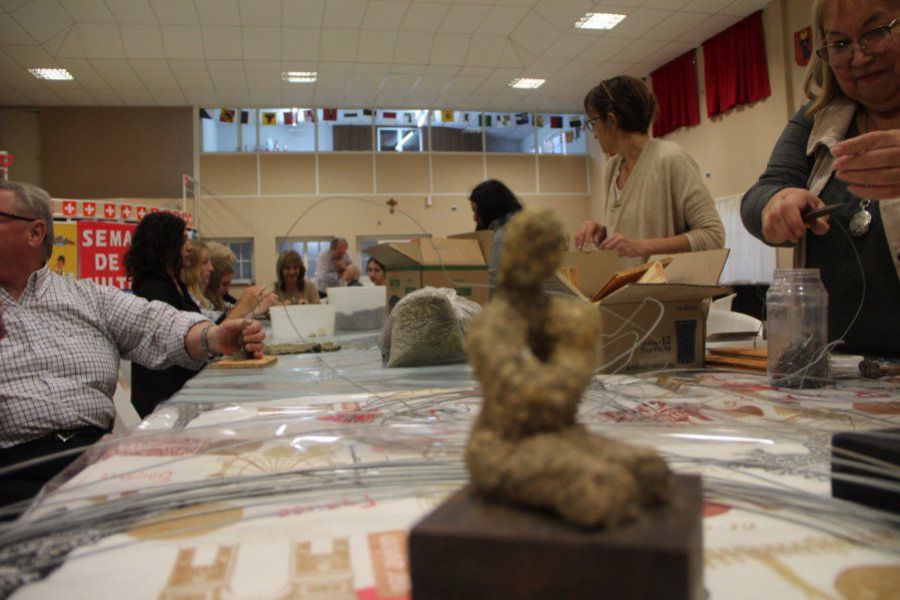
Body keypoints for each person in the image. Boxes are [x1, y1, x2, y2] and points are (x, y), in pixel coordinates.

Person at [0, 181, 264, 506]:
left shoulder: (86, 297)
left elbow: (155, 323)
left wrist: (213, 336)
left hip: (96, 456)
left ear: (35, 232)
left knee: (232, 475)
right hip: (14, 469)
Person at [741, 0, 899, 356]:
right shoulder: (816, 120)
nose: (859, 57)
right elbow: (761, 193)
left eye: (876, 32)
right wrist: (775, 204)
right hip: (838, 372)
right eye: (840, 44)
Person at [574, 76, 725, 266]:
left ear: (612, 121)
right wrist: (604, 232)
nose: (594, 134)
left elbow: (713, 236)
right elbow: (637, 233)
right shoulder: (613, 168)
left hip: (667, 293)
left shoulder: (671, 159)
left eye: (593, 123)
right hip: (629, 292)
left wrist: (641, 246)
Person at [469, 179, 523, 289]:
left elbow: (494, 279)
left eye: (476, 210)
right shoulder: (519, 222)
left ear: (490, 208)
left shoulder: (506, 233)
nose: (474, 218)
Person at [206, 241, 277, 321]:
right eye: (224, 284)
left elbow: (237, 307)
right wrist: (257, 311)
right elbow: (220, 328)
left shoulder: (224, 298)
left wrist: (256, 303)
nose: (227, 290)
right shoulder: (199, 306)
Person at [182, 239, 217, 321]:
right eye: (205, 262)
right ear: (191, 267)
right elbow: (212, 323)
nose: (211, 268)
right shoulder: (188, 299)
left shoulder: (199, 297)